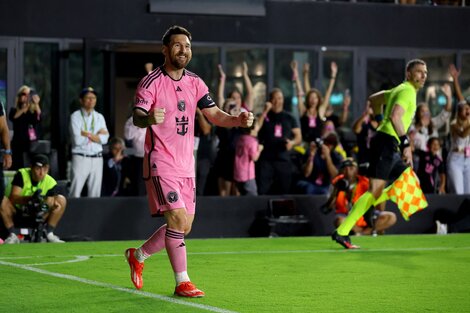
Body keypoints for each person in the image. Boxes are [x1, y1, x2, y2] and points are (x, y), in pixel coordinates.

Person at [125, 25, 254, 298]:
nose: (183, 50)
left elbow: (215, 114)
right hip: (160, 160)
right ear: (165, 49)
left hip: (186, 164)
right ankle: (182, 281)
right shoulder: (151, 82)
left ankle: (137, 256)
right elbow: (137, 115)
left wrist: (237, 121)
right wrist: (148, 119)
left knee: (184, 226)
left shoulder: (195, 82)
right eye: (177, 45)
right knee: (177, 219)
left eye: (187, 46)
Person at [332, 59, 428, 249]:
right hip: (386, 143)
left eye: (425, 72)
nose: (423, 75)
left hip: (387, 142)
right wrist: (406, 144)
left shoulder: (398, 90)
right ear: (409, 74)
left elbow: (374, 99)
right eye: (419, 72)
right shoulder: (407, 90)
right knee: (374, 191)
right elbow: (395, 116)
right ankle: (343, 232)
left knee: (408, 179)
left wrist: (378, 119)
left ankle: (373, 202)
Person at [0, 154, 66, 243]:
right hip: (17, 211)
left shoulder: (51, 182)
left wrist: (48, 206)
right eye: (38, 169)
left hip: (38, 213)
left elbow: (48, 203)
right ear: (31, 168)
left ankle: (49, 234)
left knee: (61, 200)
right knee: (2, 200)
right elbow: (13, 198)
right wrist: (30, 199)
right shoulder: (22, 174)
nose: (41, 173)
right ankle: (12, 234)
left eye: (45, 169)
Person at [325, 158, 396, 236]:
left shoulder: (365, 182)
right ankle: (370, 232)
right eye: (345, 168)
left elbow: (380, 208)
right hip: (347, 215)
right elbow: (328, 207)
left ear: (357, 170)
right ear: (341, 171)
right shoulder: (336, 183)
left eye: (351, 168)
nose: (348, 171)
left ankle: (362, 233)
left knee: (391, 217)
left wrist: (380, 185)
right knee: (339, 220)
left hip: (366, 215)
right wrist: (336, 191)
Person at [256, 88, 302, 195]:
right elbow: (256, 128)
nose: (277, 101)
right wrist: (265, 111)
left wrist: (292, 143)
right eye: (274, 98)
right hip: (266, 159)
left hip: (283, 159)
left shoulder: (289, 117)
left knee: (284, 190)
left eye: (279, 98)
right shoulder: (263, 115)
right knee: (262, 190)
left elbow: (298, 137)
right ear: (270, 100)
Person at [69, 87, 109, 198]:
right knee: (75, 191)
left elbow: (105, 138)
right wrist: (97, 135)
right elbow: (77, 140)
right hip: (81, 157)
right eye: (88, 98)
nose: (91, 100)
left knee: (95, 193)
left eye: (94, 98)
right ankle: (72, 214)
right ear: (81, 100)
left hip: (97, 158)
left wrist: (87, 134)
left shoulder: (99, 117)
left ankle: (94, 215)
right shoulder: (75, 116)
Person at [9, 86, 42, 170]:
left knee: (30, 166)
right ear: (19, 96)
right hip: (18, 143)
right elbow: (14, 117)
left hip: (30, 144)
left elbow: (39, 118)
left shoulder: (32, 111)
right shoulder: (14, 110)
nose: (27, 96)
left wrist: (36, 104)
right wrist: (24, 108)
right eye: (24, 94)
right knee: (17, 166)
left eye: (29, 94)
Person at [446, 100, 470, 194]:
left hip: (468, 159)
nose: (468, 111)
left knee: (468, 192)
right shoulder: (453, 124)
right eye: (465, 109)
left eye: (468, 109)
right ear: (459, 111)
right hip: (456, 159)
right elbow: (463, 134)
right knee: (457, 191)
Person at [124, 115, 147, 196]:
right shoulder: (131, 119)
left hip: (155, 157)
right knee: (139, 185)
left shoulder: (156, 115)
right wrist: (138, 122)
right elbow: (128, 136)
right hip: (139, 157)